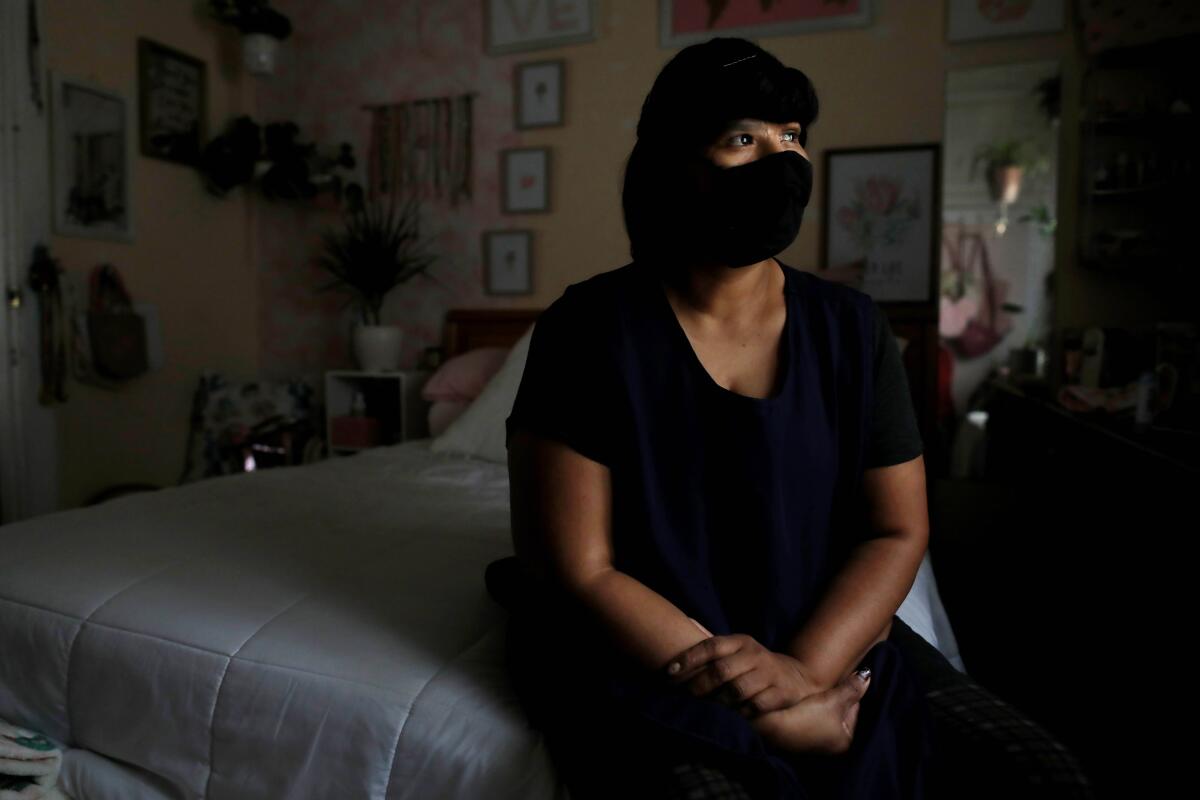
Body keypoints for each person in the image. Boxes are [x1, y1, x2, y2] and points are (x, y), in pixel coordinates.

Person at [494, 37, 929, 799]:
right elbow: (578, 567)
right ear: (674, 164)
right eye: (743, 139)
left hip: (826, 643)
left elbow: (898, 530)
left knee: (1038, 773)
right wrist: (759, 704)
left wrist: (803, 673)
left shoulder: (854, 331)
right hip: (645, 652)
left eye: (791, 138)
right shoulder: (589, 329)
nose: (782, 160)